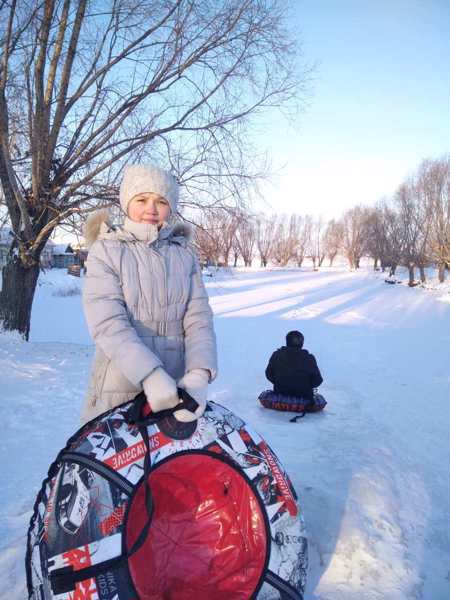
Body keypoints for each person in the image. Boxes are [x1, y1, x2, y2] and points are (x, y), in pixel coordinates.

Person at [81, 165, 217, 424]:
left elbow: (199, 319)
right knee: (119, 462)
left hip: (177, 388)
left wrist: (199, 373)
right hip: (119, 385)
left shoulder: (184, 254)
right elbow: (107, 322)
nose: (151, 209)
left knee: (171, 463)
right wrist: (149, 374)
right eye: (142, 199)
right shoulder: (107, 250)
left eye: (161, 201)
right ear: (126, 202)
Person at [265, 331, 322, 400]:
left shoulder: (276, 355)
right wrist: (305, 386)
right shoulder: (309, 358)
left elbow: (269, 374)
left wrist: (279, 382)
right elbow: (318, 380)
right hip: (304, 396)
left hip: (280, 392)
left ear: (287, 341)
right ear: (302, 343)